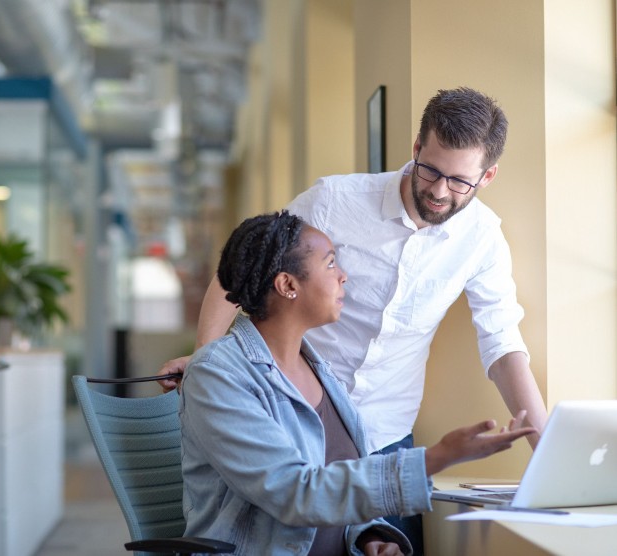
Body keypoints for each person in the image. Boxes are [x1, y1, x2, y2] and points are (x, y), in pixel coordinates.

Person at [161, 87, 548, 553]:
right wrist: (211, 361)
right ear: (416, 150)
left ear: (487, 176)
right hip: (289, 413)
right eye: (431, 170)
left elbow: (502, 343)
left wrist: (544, 451)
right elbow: (247, 266)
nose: (441, 190)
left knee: (378, 543)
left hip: (381, 434)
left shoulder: (483, 238)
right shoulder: (335, 201)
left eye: (460, 181)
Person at [179, 210, 535, 556]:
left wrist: (368, 535)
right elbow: (295, 495)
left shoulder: (320, 369)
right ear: (288, 285)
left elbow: (337, 483)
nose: (343, 276)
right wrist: (438, 457)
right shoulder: (218, 375)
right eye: (331, 263)